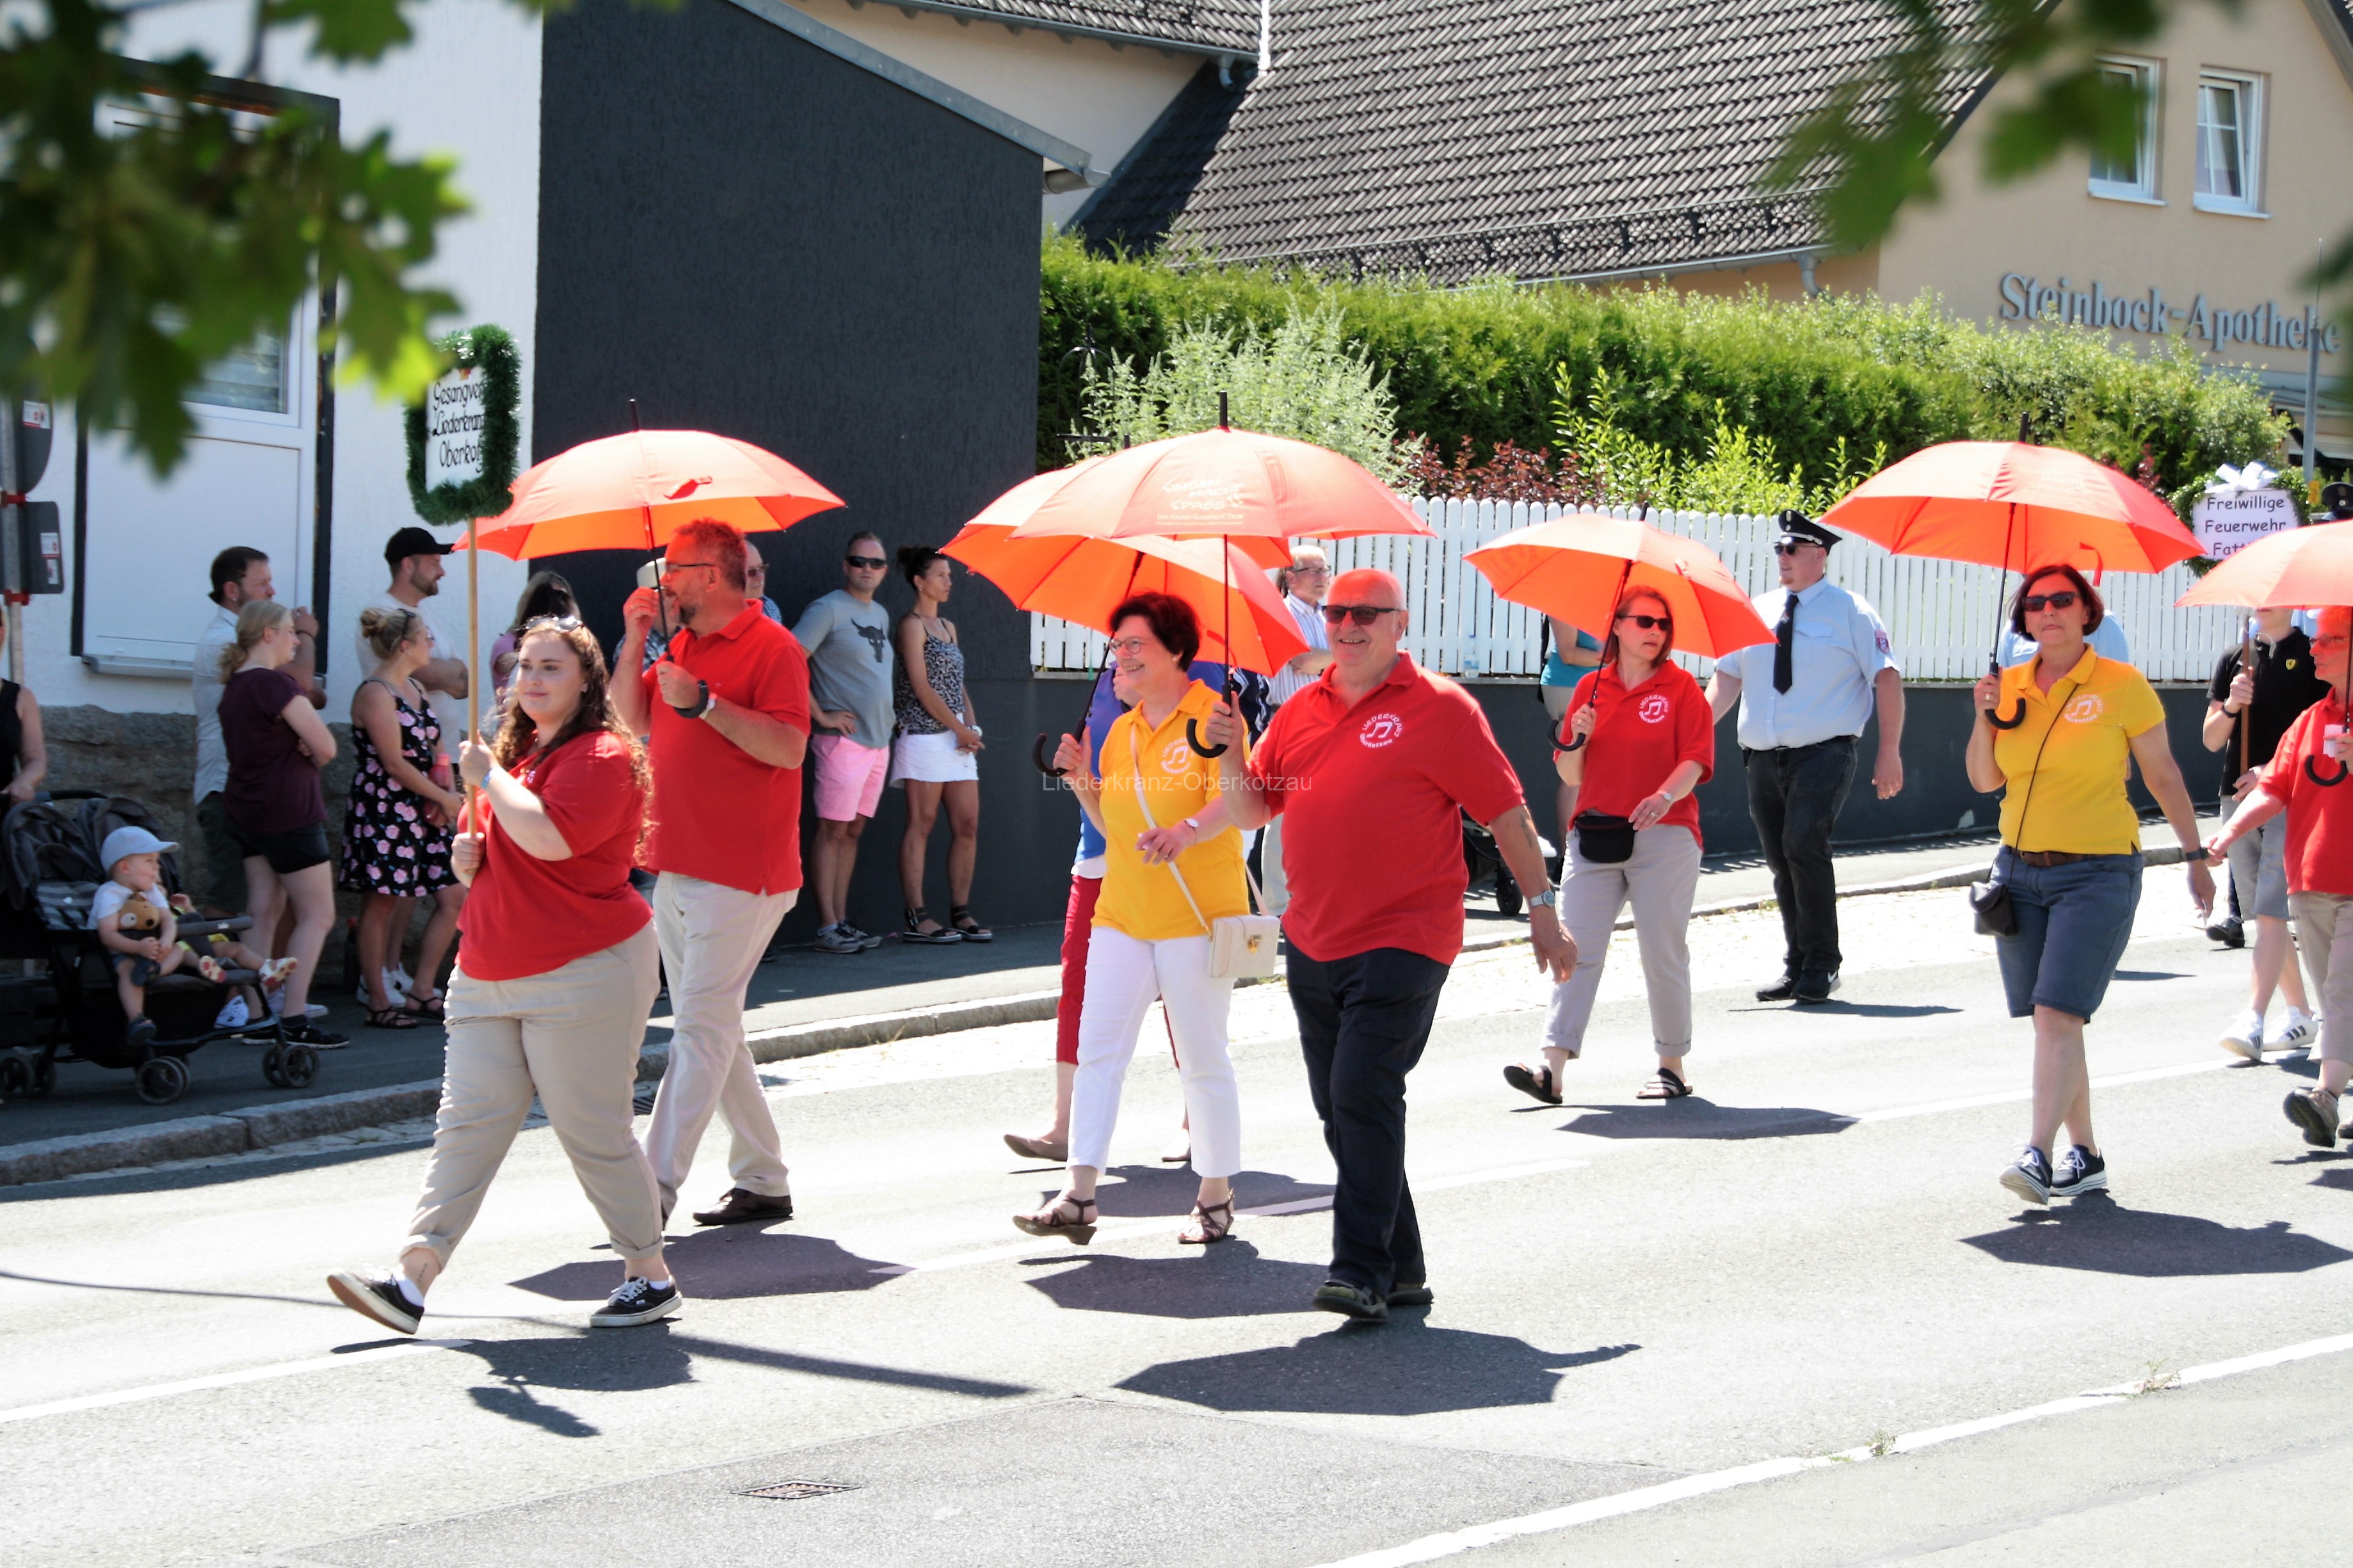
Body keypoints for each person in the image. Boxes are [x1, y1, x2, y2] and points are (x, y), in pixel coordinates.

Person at [1214, 568, 1575, 1322]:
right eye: (1336, 612)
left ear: (1398, 624)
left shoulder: (1440, 707)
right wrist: (1228, 751)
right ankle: (1404, 1265)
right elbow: (1252, 809)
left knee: (1362, 1091)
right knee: (1340, 1107)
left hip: (1407, 934)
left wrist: (1543, 908)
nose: (1347, 625)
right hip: (1314, 935)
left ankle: (1361, 1271)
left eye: (1366, 613)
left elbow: (1506, 812)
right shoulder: (1301, 708)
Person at [326, 617, 680, 1335]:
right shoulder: (517, 757)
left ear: (585, 681)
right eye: (525, 666)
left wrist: (486, 777)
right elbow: (505, 853)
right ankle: (412, 1278)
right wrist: (470, 857)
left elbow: (549, 839)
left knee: (592, 1131)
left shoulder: (603, 753)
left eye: (552, 667)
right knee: (467, 1127)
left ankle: (649, 1273)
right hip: (487, 967)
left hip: (585, 970)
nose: (533, 679)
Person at [1967, 564, 2215, 1206]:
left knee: (2058, 1012)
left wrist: (2194, 855)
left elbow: (2162, 773)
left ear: (2087, 611)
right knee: (2054, 1019)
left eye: (2061, 599)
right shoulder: (2007, 685)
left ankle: (2037, 1153)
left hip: (2098, 871)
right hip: (2018, 871)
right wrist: (1983, 716)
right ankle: (2087, 1155)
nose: (2047, 610)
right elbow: (1985, 780)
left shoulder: (2122, 684)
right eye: (2035, 603)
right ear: (2023, 619)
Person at [1015, 593, 1251, 1247]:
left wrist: (1187, 830)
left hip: (1196, 917)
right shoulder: (1120, 730)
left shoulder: (1215, 717)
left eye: (1135, 643)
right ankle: (1078, 1193)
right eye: (1117, 644)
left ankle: (1215, 1193)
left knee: (1201, 1058)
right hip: (1122, 913)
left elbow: (1237, 804)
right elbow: (1112, 823)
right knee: (1099, 1053)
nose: (1121, 654)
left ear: (1176, 650)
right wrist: (1079, 779)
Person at [614, 516, 810, 1228]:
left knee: (698, 1030)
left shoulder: (775, 646)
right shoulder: (682, 643)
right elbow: (628, 718)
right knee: (715, 1028)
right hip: (677, 865)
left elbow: (789, 747)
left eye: (673, 569)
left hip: (741, 872)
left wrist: (706, 704)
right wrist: (636, 636)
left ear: (710, 575)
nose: (662, 580)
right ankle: (763, 1178)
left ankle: (648, 1194)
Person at [1506, 588, 1714, 1105]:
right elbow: (1571, 774)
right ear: (1616, 625)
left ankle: (1672, 1065)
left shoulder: (1682, 688)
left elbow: (1695, 760)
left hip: (1665, 834)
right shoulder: (1590, 688)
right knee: (1573, 948)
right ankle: (1551, 1067)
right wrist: (1578, 736)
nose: (1655, 632)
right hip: (1595, 836)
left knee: (1661, 950)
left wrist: (1664, 797)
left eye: (1663, 624)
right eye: (1644, 621)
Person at [1706, 511, 1906, 1005]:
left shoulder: (1851, 611)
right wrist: (1691, 733)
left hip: (1824, 752)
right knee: (1781, 858)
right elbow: (1728, 676)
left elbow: (1886, 678)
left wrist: (1889, 752)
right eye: (1779, 549)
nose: (1783, 557)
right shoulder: (1757, 609)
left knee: (1803, 843)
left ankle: (1822, 963)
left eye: (1792, 549)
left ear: (1820, 555)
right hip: (1761, 756)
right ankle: (1798, 963)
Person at [2208, 609, 2353, 1147]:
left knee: (2341, 991)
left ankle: (2326, 1097)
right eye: (2317, 638)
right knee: (2336, 995)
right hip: (2311, 882)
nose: (2316, 647)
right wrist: (2228, 833)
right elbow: (2274, 787)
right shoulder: (2313, 719)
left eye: (2331, 639)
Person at [216, 600, 347, 1048]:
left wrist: (300, 744)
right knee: (318, 914)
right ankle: (293, 1016)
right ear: (267, 634)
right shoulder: (275, 684)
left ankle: (256, 1014)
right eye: (290, 631)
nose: (296, 639)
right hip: (289, 812)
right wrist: (307, 746)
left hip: (247, 811)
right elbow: (326, 746)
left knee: (264, 909)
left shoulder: (234, 687)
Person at [2201, 608, 2325, 1060]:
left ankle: (2252, 1017)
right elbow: (2211, 739)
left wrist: (2270, 771)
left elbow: (2318, 735)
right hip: (2235, 795)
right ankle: (2300, 1013)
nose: (2265, 604)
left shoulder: (2312, 657)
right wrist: (2232, 704)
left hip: (2289, 797)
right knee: (2259, 912)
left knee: (2272, 909)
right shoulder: (2234, 658)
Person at [343, 607, 467, 1029]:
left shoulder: (413, 686)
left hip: (423, 806)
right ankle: (378, 1001)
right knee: (381, 902)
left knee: (454, 896)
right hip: (385, 808)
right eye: (425, 636)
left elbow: (435, 747)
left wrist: (446, 786)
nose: (431, 643)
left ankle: (421, 990)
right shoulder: (375, 693)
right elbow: (393, 763)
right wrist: (444, 798)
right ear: (404, 646)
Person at [194, 547, 319, 916]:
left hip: (260, 791)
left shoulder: (245, 646)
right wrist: (306, 634)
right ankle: (214, 956)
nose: (272, 591)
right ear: (232, 590)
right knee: (230, 902)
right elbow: (302, 683)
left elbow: (303, 691)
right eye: (262, 583)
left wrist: (299, 689)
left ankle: (260, 959)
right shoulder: (224, 640)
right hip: (227, 788)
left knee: (273, 902)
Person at [794, 532, 895, 954]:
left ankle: (842, 920)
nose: (867, 569)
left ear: (885, 570)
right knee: (833, 830)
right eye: (859, 561)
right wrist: (820, 714)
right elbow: (789, 658)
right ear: (845, 566)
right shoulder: (828, 609)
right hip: (842, 741)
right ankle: (827, 926)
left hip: (878, 740)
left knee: (853, 830)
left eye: (876, 563)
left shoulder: (881, 614)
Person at [90, 826, 285, 1045]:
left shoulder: (152, 891)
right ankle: (137, 1019)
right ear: (125, 867)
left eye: (157, 861)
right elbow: (107, 935)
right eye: (149, 861)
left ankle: (156, 971)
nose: (157, 867)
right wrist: (138, 948)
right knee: (128, 971)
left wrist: (166, 940)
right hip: (122, 953)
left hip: (155, 953)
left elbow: (167, 919)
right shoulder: (109, 894)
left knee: (179, 950)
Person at [892, 545, 987, 943]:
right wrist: (958, 729)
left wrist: (971, 726)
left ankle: (961, 912)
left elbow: (957, 684)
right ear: (920, 581)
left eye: (949, 575)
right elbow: (922, 688)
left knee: (967, 824)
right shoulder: (911, 625)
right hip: (923, 736)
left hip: (957, 739)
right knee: (923, 824)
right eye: (941, 575)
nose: (949, 582)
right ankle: (917, 917)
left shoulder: (949, 627)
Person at [353, 527, 470, 749]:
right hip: (411, 753)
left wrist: (445, 672)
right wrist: (450, 670)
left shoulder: (427, 614)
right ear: (408, 565)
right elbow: (427, 674)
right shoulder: (381, 612)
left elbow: (466, 684)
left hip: (446, 753)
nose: (442, 572)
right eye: (434, 563)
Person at [1538, 616, 1605, 869]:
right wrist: (1614, 657)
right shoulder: (1564, 602)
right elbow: (1568, 653)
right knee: (1575, 773)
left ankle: (1588, 852)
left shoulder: (1612, 602)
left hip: (1602, 686)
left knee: (1595, 770)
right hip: (1568, 687)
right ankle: (1568, 858)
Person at [490, 572, 577, 697]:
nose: (558, 604)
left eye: (563, 598)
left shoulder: (572, 641)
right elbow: (515, 665)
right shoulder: (506, 643)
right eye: (549, 599)